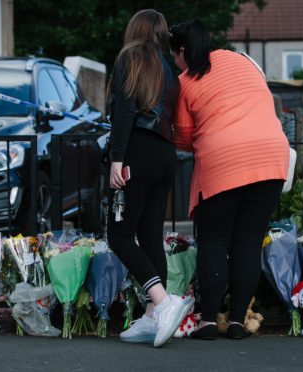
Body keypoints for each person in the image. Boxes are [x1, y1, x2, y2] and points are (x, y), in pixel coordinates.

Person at [169, 19, 290, 339]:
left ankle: (208, 321)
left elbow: (183, 136)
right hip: (270, 158)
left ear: (182, 52)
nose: (175, 64)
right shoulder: (241, 60)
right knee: (247, 243)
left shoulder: (185, 80)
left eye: (174, 57)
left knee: (214, 240)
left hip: (224, 162)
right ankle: (238, 321)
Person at [106, 9, 191, 348]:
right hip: (164, 155)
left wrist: (116, 158)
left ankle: (164, 302)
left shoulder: (131, 56)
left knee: (120, 235)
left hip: (137, 153)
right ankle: (153, 318)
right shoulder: (167, 68)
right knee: (150, 235)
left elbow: (126, 110)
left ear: (135, 29)